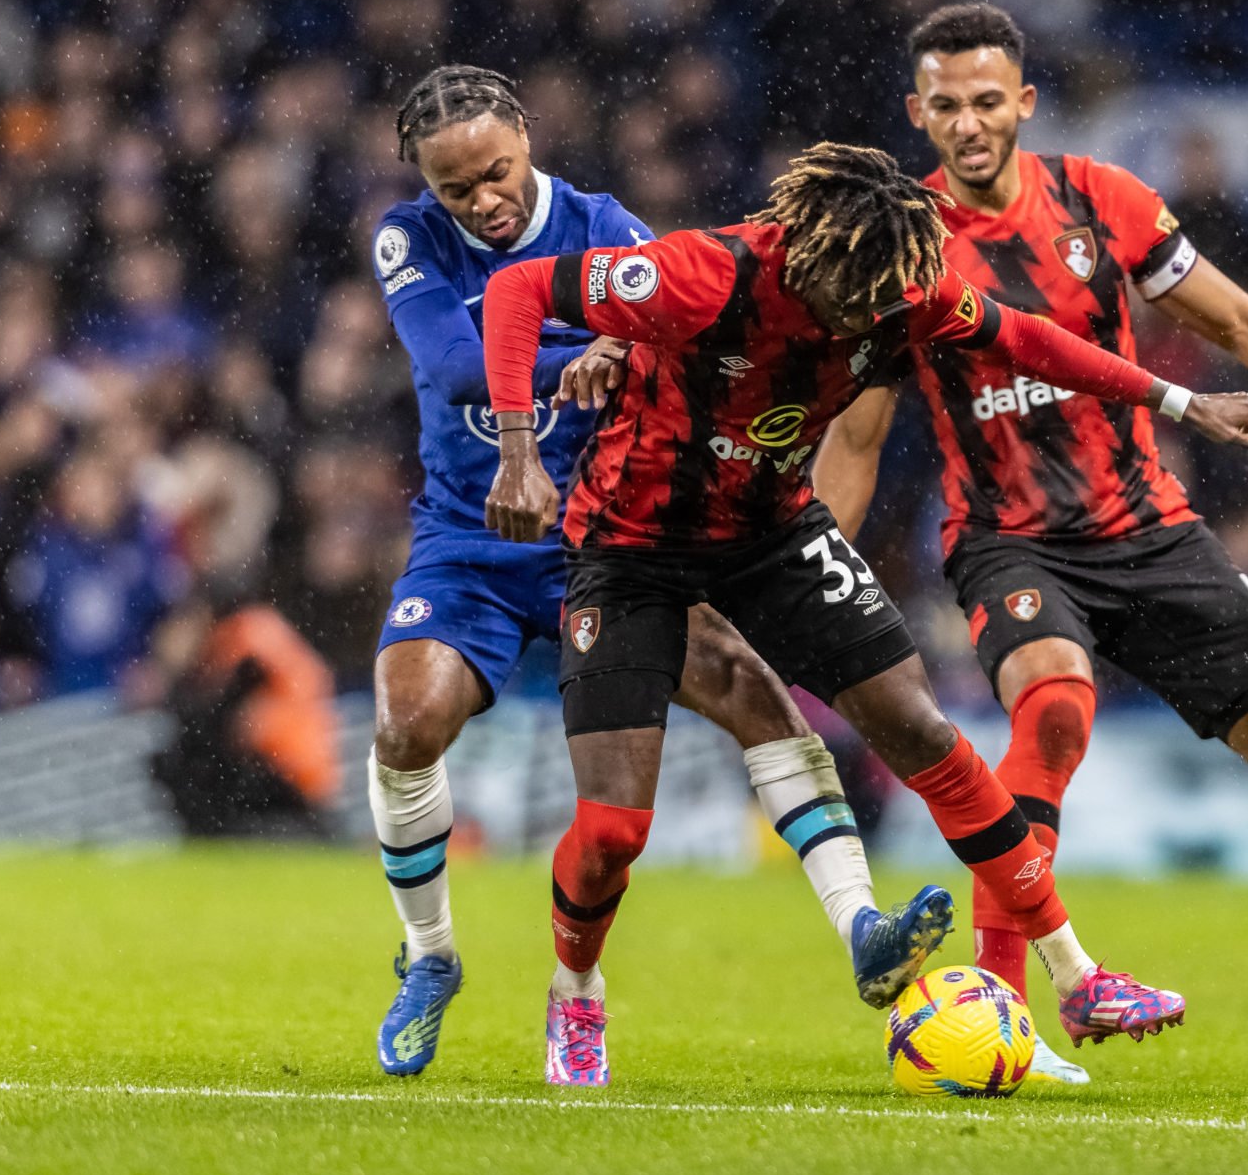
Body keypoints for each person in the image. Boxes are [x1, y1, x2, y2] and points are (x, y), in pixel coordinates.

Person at [482, 140, 1248, 1086]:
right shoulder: (708, 273)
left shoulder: (899, 290)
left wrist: (1181, 403)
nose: (874, 320)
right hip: (631, 551)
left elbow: (1027, 337)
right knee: (615, 832)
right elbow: (520, 294)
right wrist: (517, 454)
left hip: (772, 532)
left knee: (924, 731)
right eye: (856, 301)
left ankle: (1076, 976)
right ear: (810, 260)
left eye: (888, 301)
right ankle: (575, 991)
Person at [814, 4, 1248, 1090]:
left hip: (1150, 527)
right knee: (1055, 706)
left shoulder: (1103, 203)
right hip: (1009, 537)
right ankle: (1003, 1016)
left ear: (1023, 102)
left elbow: (1240, 323)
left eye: (988, 102)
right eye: (947, 106)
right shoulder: (905, 247)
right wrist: (815, 568)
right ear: (916, 114)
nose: (970, 124)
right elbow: (859, 432)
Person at [368, 66, 946, 1079]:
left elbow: (692, 330)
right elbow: (459, 365)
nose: (485, 200)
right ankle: (430, 957)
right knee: (406, 722)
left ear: (526, 138)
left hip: (609, 533)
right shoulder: (405, 240)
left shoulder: (607, 225)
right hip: (471, 535)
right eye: (457, 189)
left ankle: (862, 924)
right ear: (426, 183)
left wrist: (620, 349)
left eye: (497, 173)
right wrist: (588, 354)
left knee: (757, 698)